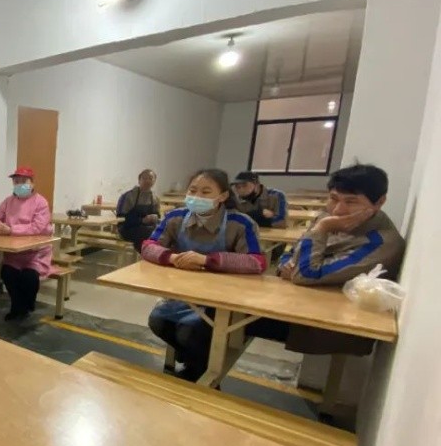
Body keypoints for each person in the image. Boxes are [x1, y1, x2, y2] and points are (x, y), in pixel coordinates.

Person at [259, 163, 406, 355]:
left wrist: (322, 229)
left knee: (233, 318)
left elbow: (305, 275)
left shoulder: (383, 243)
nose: (338, 210)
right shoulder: (327, 216)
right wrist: (283, 266)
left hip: (328, 325)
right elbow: (292, 251)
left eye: (351, 202)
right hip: (297, 303)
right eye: (334, 198)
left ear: (379, 202)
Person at [143, 168, 266, 381]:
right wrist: (172, 257)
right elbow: (148, 246)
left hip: (221, 299)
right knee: (158, 321)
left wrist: (207, 260)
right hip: (184, 293)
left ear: (223, 196)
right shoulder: (175, 217)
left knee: (189, 331)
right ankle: (194, 359)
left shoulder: (240, 223)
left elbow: (257, 262)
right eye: (192, 190)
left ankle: (200, 370)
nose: (197, 196)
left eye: (206, 192)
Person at [0, 166, 53, 320]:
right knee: (7, 273)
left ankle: (26, 305)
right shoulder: (8, 201)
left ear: (32, 183)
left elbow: (37, 227)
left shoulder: (41, 202)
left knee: (30, 277)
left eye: (24, 181)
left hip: (35, 254)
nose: (19, 184)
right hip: (14, 254)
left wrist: (11, 230)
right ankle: (17, 307)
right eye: (16, 181)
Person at [117, 169, 161, 250]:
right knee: (148, 232)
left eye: (150, 178)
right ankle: (145, 254)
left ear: (154, 181)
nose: (147, 181)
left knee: (161, 231)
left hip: (147, 227)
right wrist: (141, 220)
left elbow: (158, 215)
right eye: (144, 178)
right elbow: (120, 218)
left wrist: (155, 217)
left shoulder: (155, 198)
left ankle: (153, 254)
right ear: (139, 180)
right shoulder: (129, 196)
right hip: (127, 228)